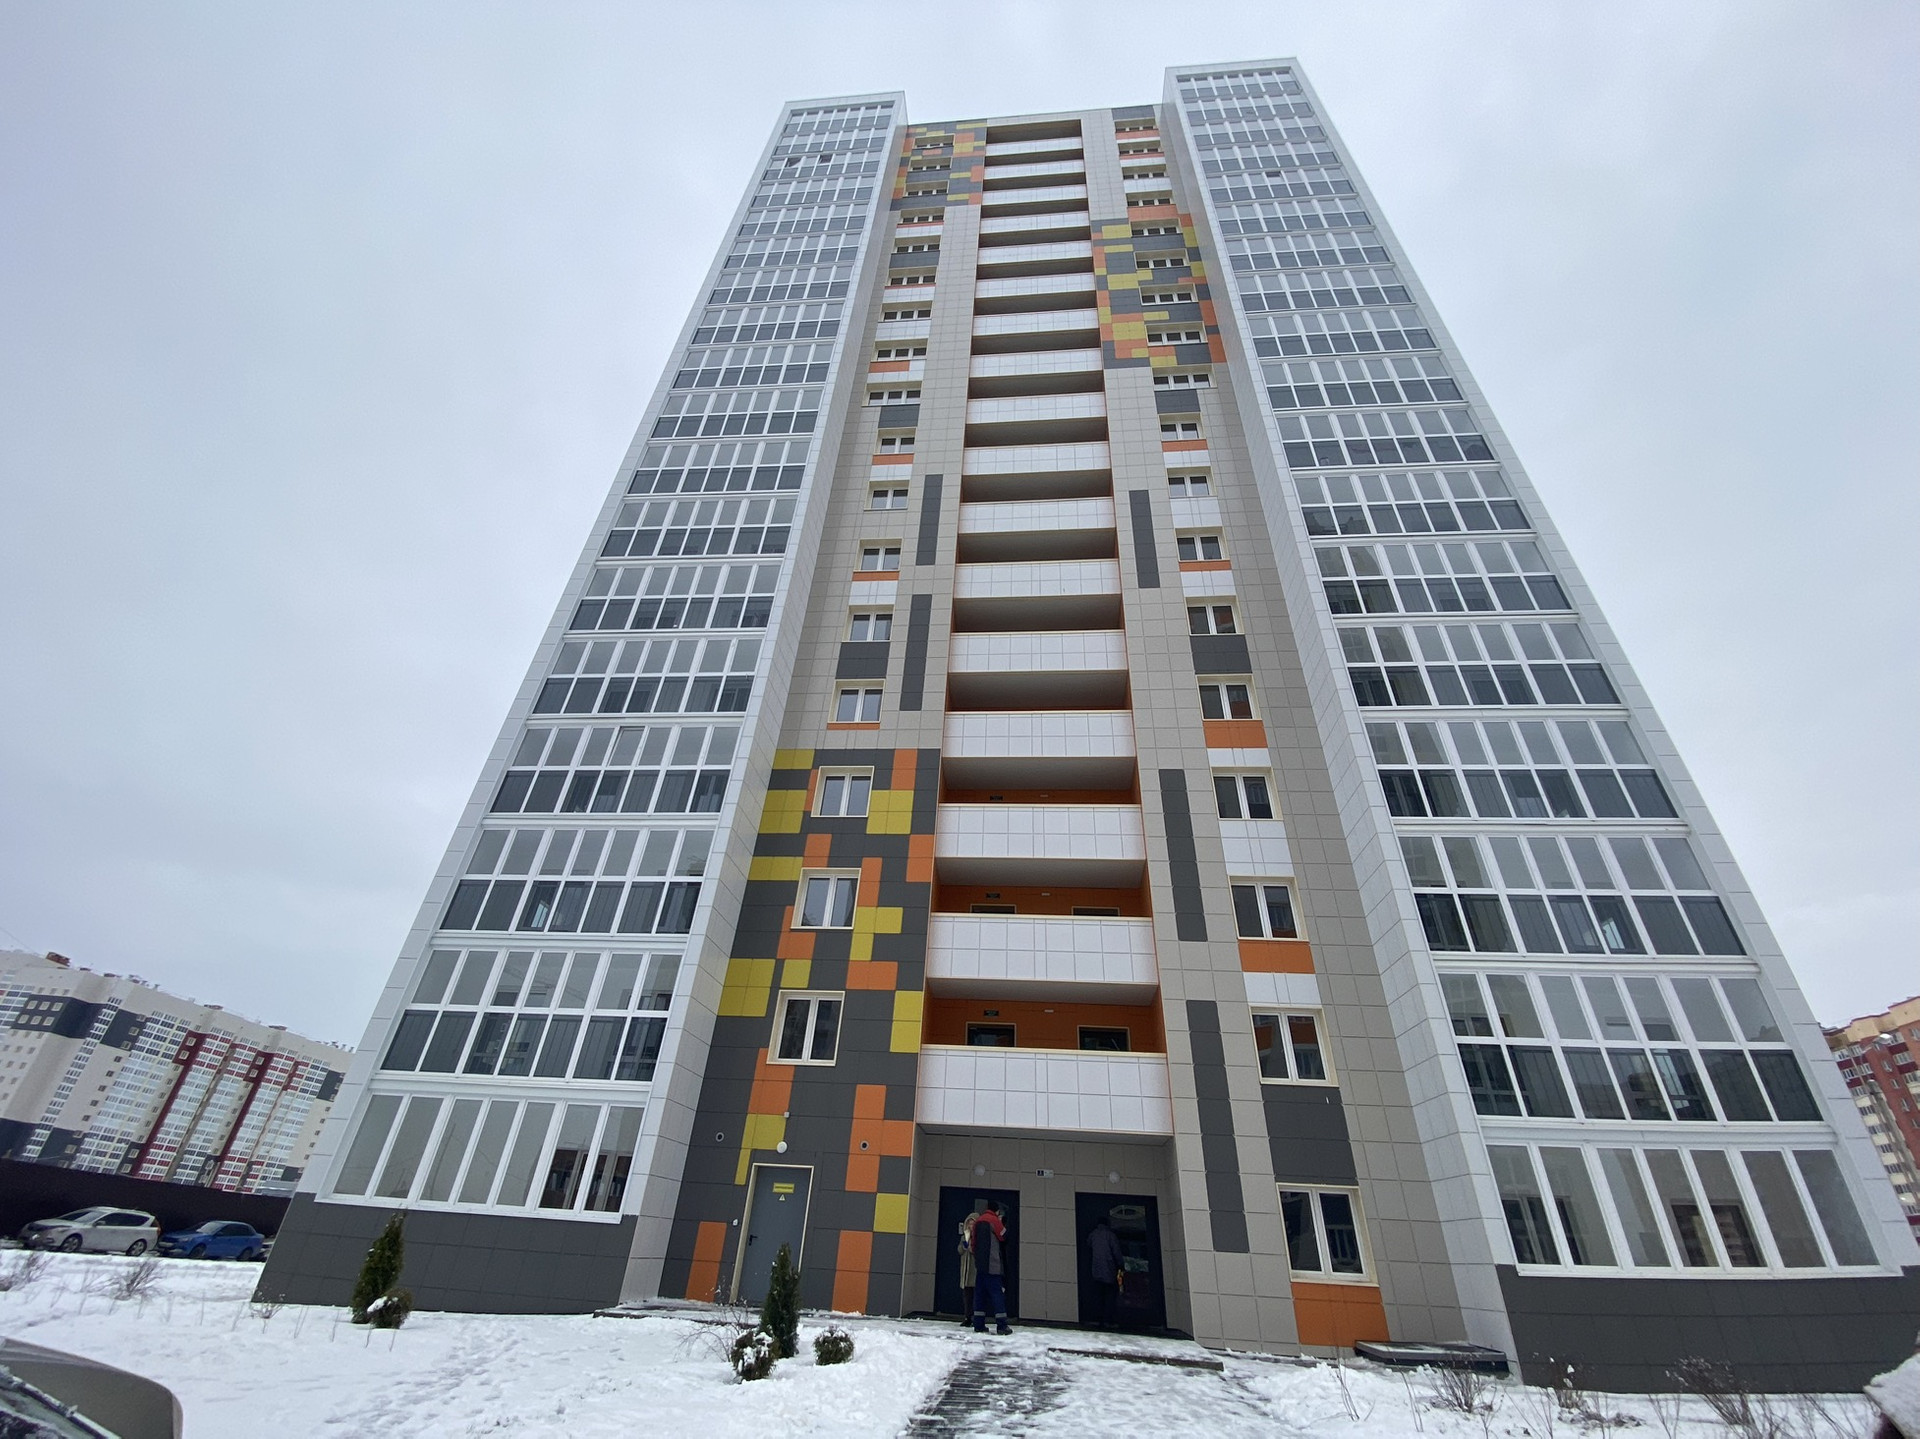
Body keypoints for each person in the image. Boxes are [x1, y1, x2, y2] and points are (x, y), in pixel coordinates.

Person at [970, 1200, 1011, 1335]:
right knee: (997, 1295)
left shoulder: (978, 1221)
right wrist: (1002, 1222)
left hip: (980, 1266)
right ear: (997, 1211)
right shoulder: (994, 1220)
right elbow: (1004, 1236)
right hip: (993, 1265)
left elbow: (973, 1243)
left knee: (979, 1295)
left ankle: (978, 1324)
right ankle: (1002, 1326)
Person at [1087, 1215, 1123, 1329]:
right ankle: (1108, 1320)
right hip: (1109, 1269)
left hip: (1096, 1270)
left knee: (1098, 1295)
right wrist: (1120, 1264)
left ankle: (1097, 1319)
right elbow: (1116, 1251)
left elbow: (1088, 1245)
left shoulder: (1093, 1234)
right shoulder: (1110, 1235)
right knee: (1110, 1296)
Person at [957, 1202, 982, 1326]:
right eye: (969, 1223)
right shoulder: (964, 1237)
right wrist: (964, 1244)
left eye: (973, 1224)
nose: (971, 1226)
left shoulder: (980, 1238)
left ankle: (976, 1317)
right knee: (967, 1296)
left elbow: (977, 1252)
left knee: (976, 1296)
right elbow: (960, 1251)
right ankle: (967, 1317)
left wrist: (971, 1246)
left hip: (975, 1271)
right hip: (966, 1272)